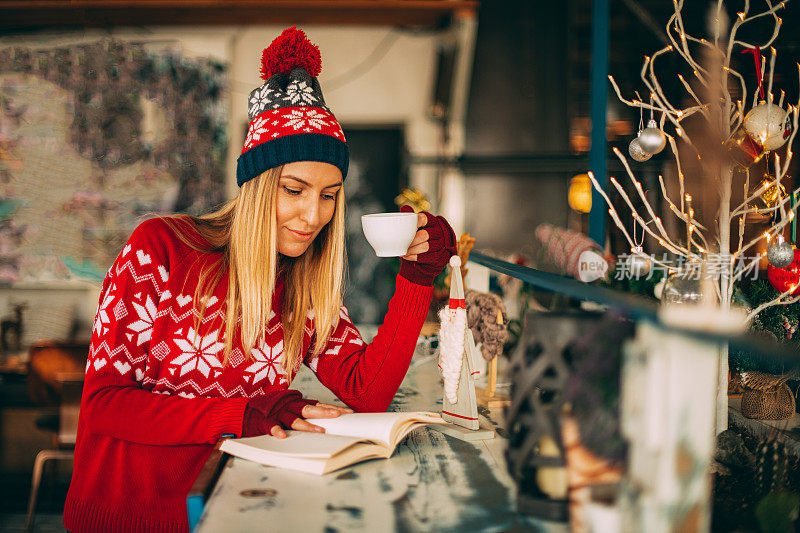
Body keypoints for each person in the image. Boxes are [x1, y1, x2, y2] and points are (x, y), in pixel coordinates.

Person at [63, 27, 456, 533]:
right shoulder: (159, 249)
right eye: (294, 189)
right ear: (256, 185)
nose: (313, 215)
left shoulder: (303, 285)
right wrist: (238, 414)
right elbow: (104, 406)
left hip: (237, 510)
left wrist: (416, 279)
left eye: (329, 194)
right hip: (127, 519)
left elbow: (368, 391)